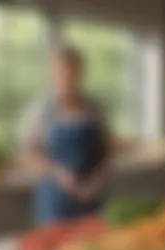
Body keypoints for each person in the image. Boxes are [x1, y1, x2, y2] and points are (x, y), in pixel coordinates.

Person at [22, 46, 112, 226]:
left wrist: (97, 179)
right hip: (55, 199)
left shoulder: (95, 108)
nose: (66, 80)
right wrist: (59, 173)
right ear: (52, 75)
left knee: (92, 246)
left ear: (81, 74)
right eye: (61, 74)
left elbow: (106, 150)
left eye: (72, 74)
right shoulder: (42, 110)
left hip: (90, 195)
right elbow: (28, 155)